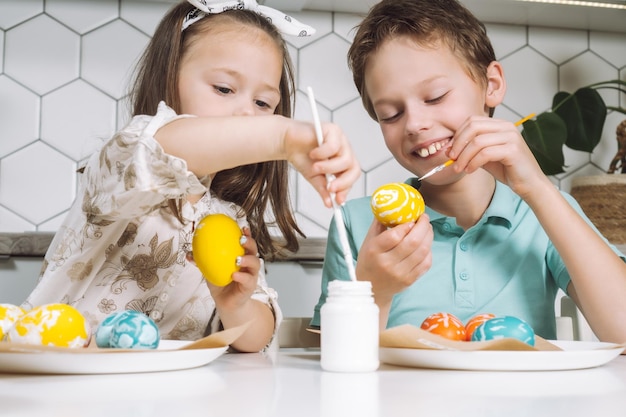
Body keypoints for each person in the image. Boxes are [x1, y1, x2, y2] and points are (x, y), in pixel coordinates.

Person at [23, 0, 360, 353]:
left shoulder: (229, 218)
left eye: (263, 104)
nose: (247, 113)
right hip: (61, 378)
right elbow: (163, 145)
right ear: (171, 76)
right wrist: (283, 137)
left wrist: (236, 305)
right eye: (224, 89)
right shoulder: (124, 163)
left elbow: (254, 339)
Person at [311, 0, 626, 344]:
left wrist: (537, 188)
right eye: (390, 114)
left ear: (491, 85)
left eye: (435, 97)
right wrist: (375, 289)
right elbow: (336, 369)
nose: (415, 124)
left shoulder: (544, 214)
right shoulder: (357, 226)